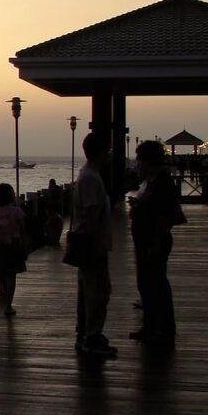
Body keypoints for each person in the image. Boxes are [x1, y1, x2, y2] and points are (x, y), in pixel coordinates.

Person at [128, 140, 180, 349]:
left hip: (154, 242)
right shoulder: (150, 181)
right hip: (144, 241)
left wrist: (156, 243)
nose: (137, 164)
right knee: (146, 285)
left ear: (148, 161)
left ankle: (165, 329)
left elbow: (163, 217)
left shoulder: (163, 183)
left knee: (157, 285)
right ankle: (150, 326)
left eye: (139, 159)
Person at [72, 132, 117, 357]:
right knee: (97, 292)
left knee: (89, 291)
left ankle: (85, 335)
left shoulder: (88, 174)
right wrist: (94, 246)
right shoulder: (90, 178)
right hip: (92, 245)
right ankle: (91, 336)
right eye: (108, 150)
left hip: (91, 243)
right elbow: (90, 213)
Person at [0, 183, 27, 317]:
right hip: (13, 247)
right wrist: (25, 244)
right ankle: (8, 306)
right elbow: (23, 229)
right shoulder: (16, 211)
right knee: (11, 277)